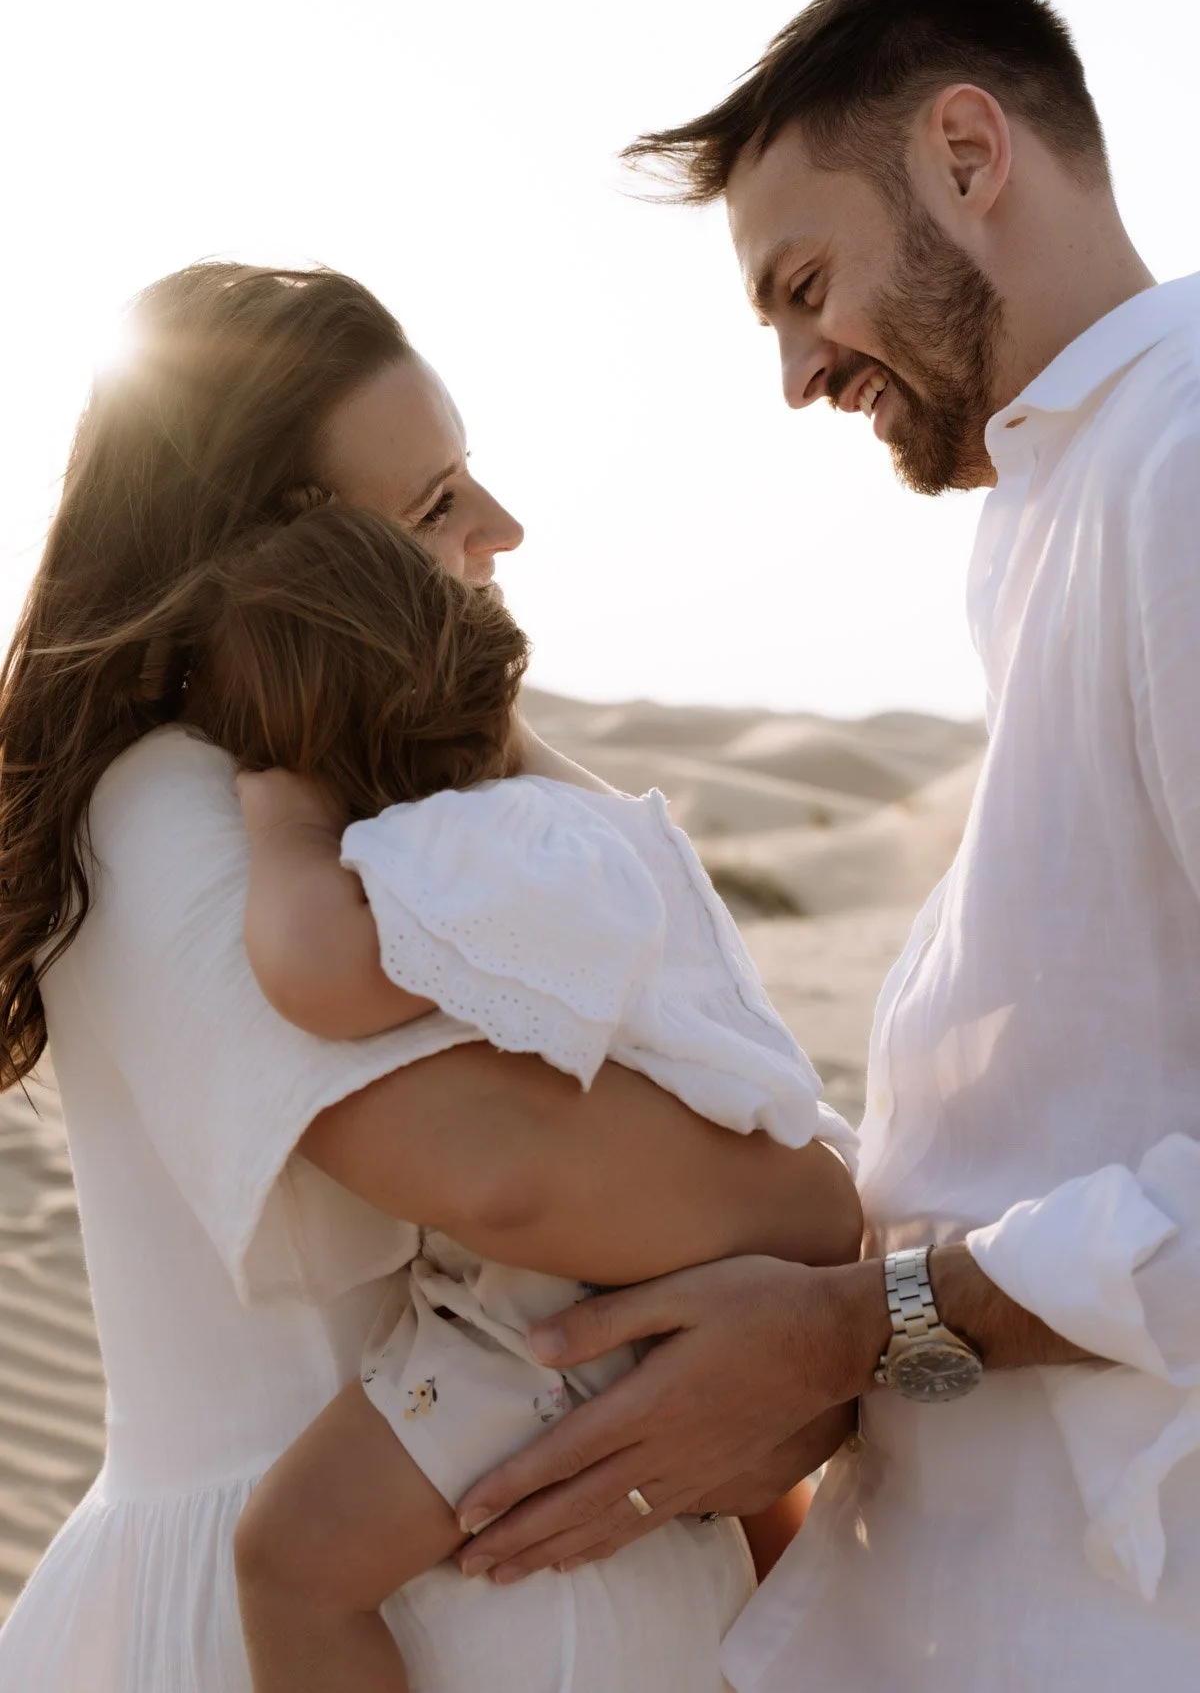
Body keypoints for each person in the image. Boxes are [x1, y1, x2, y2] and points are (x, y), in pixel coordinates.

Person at [450, 0, 1200, 1692]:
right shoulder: (1056, 503)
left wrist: (863, 1328)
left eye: (806, 285)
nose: (797, 372)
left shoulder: (1179, 466)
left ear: (963, 153)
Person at [0, 261, 859, 1692]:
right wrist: (822, 1203)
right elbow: (507, 1166)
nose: (503, 527)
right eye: (436, 501)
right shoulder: (169, 805)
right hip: (321, 1608)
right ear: (288, 551)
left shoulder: (379, 797)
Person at [158, 501, 859, 1692]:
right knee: (756, 1525)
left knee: (291, 1563)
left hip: (574, 1315)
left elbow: (315, 976)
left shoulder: (462, 852)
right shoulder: (593, 823)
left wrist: (282, 822)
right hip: (741, 1261)